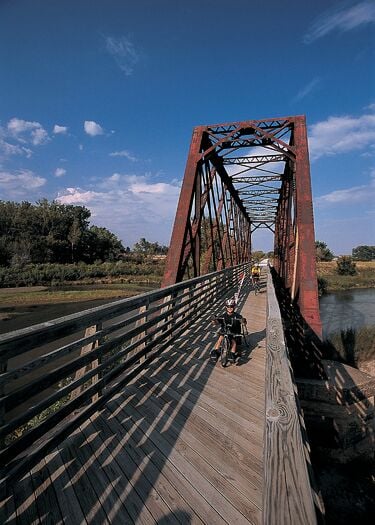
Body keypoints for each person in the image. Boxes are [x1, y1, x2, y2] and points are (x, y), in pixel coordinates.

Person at [210, 298, 247, 363]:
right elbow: (216, 323)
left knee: (233, 342)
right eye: (228, 307)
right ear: (226, 307)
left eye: (232, 307)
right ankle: (215, 351)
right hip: (224, 331)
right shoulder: (223, 316)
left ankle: (232, 354)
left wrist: (243, 321)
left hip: (234, 332)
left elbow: (244, 323)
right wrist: (213, 320)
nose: (230, 308)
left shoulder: (237, 316)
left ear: (234, 307)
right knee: (220, 339)